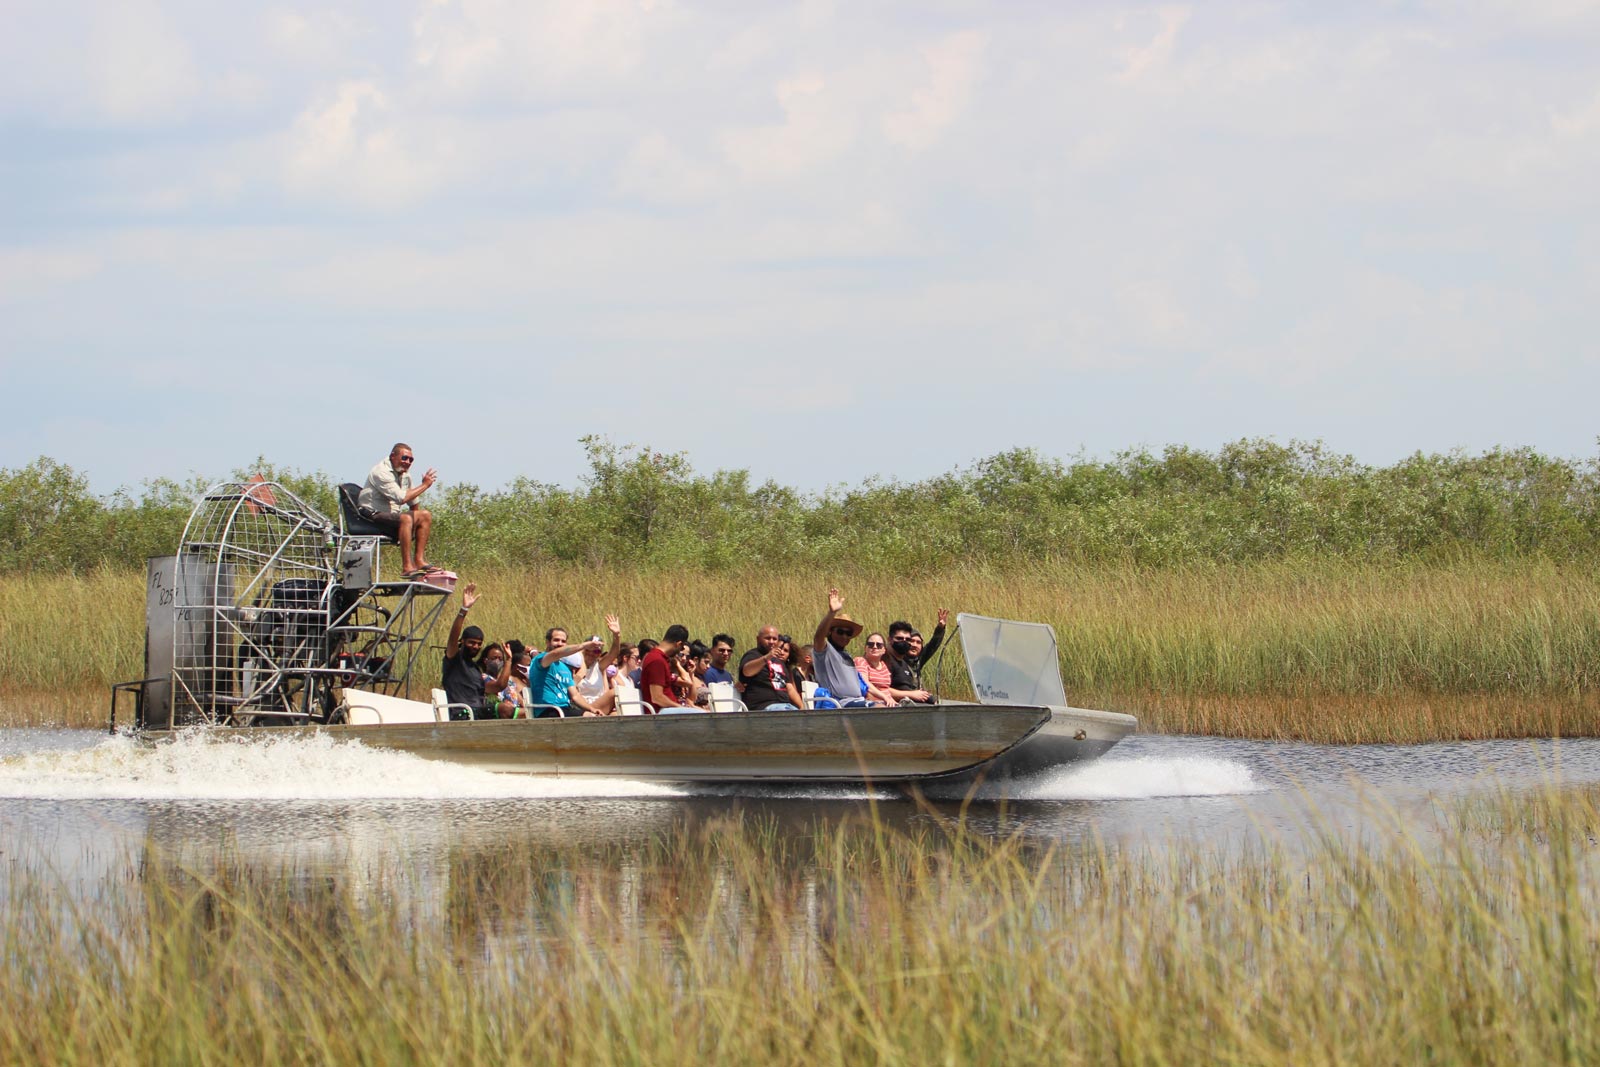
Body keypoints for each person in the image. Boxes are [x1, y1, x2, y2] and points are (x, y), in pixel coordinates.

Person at [357, 442, 438, 578]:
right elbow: (402, 498)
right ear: (392, 456)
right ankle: (407, 567)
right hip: (371, 515)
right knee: (406, 519)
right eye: (404, 458)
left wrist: (414, 526)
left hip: (391, 515)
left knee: (425, 515)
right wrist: (425, 485)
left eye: (411, 460)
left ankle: (419, 560)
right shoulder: (381, 472)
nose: (408, 462)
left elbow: (413, 503)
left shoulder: (404, 474)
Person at [441, 582, 510, 719]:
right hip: (462, 713)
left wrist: (509, 661)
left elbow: (499, 686)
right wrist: (463, 610)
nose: (475, 647)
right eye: (471, 643)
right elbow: (452, 637)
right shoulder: (455, 659)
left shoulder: (475, 670)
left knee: (516, 711)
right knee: (504, 709)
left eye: (479, 644)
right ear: (462, 642)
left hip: (478, 713)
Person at [810, 588, 879, 707]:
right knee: (880, 709)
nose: (844, 636)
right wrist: (831, 613)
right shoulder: (825, 651)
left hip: (857, 701)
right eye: (840, 631)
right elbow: (818, 638)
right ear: (830, 632)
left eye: (848, 633)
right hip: (839, 704)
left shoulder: (847, 655)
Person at [526, 624, 604, 718]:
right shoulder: (542, 659)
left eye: (563, 641)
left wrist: (592, 709)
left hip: (565, 709)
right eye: (556, 640)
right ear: (547, 642)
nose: (560, 643)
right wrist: (584, 646)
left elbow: (575, 695)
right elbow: (556, 653)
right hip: (548, 710)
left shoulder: (564, 668)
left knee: (596, 716)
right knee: (589, 717)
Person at [887, 609, 949, 704]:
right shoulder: (893, 658)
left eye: (918, 642)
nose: (914, 645)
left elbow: (932, 646)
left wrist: (940, 628)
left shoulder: (917, 660)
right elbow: (881, 688)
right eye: (911, 641)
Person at [569, 615, 623, 716]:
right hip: (584, 707)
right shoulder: (573, 666)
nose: (592, 653)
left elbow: (614, 653)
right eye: (589, 649)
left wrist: (617, 635)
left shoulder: (599, 666)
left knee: (617, 715)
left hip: (600, 705)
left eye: (596, 651)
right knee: (613, 692)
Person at [640, 625, 697, 713]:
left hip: (667, 710)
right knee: (702, 716)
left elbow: (688, 683)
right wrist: (680, 707)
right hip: (661, 713)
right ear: (678, 644)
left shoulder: (660, 659)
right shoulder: (657, 660)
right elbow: (657, 698)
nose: (679, 652)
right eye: (681, 648)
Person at [738, 625, 796, 711]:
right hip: (762, 706)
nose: (771, 642)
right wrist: (767, 657)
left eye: (774, 639)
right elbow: (747, 671)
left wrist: (803, 707)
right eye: (767, 638)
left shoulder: (779, 662)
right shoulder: (752, 655)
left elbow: (789, 688)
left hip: (783, 704)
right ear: (758, 639)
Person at [853, 633, 896, 707]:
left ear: (884, 650)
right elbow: (864, 683)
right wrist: (884, 697)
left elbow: (886, 689)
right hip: (873, 704)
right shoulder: (860, 661)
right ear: (865, 648)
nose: (874, 647)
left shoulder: (884, 665)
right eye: (871, 644)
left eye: (879, 645)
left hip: (889, 703)